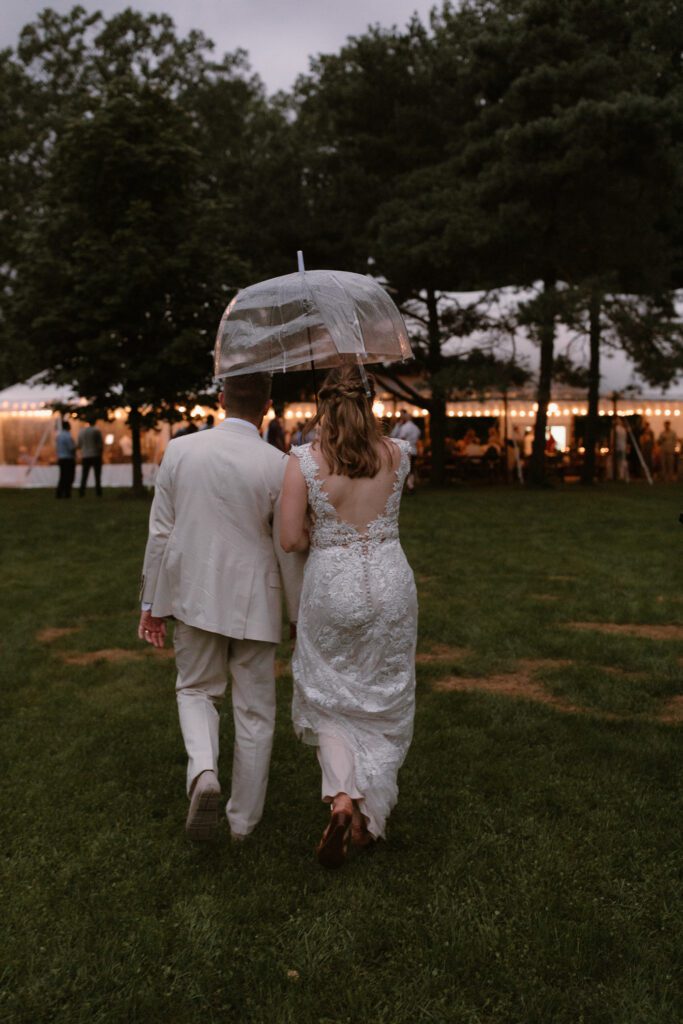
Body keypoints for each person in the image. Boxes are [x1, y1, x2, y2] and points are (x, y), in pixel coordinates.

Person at [138, 373, 305, 842]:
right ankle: (242, 824)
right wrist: (297, 613)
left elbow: (161, 532)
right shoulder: (280, 464)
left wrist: (151, 603)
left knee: (195, 690)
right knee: (255, 712)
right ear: (267, 407)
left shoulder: (180, 450)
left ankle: (204, 771)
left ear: (220, 399)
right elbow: (288, 545)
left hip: (193, 593)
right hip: (257, 601)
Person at [280, 366, 417, 868]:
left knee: (329, 697)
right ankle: (366, 814)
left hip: (332, 587)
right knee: (383, 695)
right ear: (370, 403)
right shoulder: (399, 454)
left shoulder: (303, 461)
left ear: (323, 406)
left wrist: (317, 523)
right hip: (390, 582)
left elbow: (290, 539)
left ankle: (342, 798)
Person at [391, 408, 421, 493]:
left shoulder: (405, 427)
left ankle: (406, 486)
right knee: (411, 469)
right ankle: (410, 485)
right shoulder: (416, 428)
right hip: (414, 450)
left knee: (403, 469)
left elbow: (400, 438)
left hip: (406, 451)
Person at [77, 417, 104, 497]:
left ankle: (82, 491)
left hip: (85, 455)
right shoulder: (96, 431)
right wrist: (100, 454)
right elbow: (100, 444)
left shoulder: (81, 431)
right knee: (97, 475)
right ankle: (98, 492)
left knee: (84, 475)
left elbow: (79, 444)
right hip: (95, 455)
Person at [55, 420, 76, 498]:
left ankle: (59, 492)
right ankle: (67, 493)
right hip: (68, 458)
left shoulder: (59, 436)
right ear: (68, 427)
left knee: (62, 476)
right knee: (69, 477)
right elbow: (71, 448)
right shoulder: (67, 436)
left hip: (61, 458)